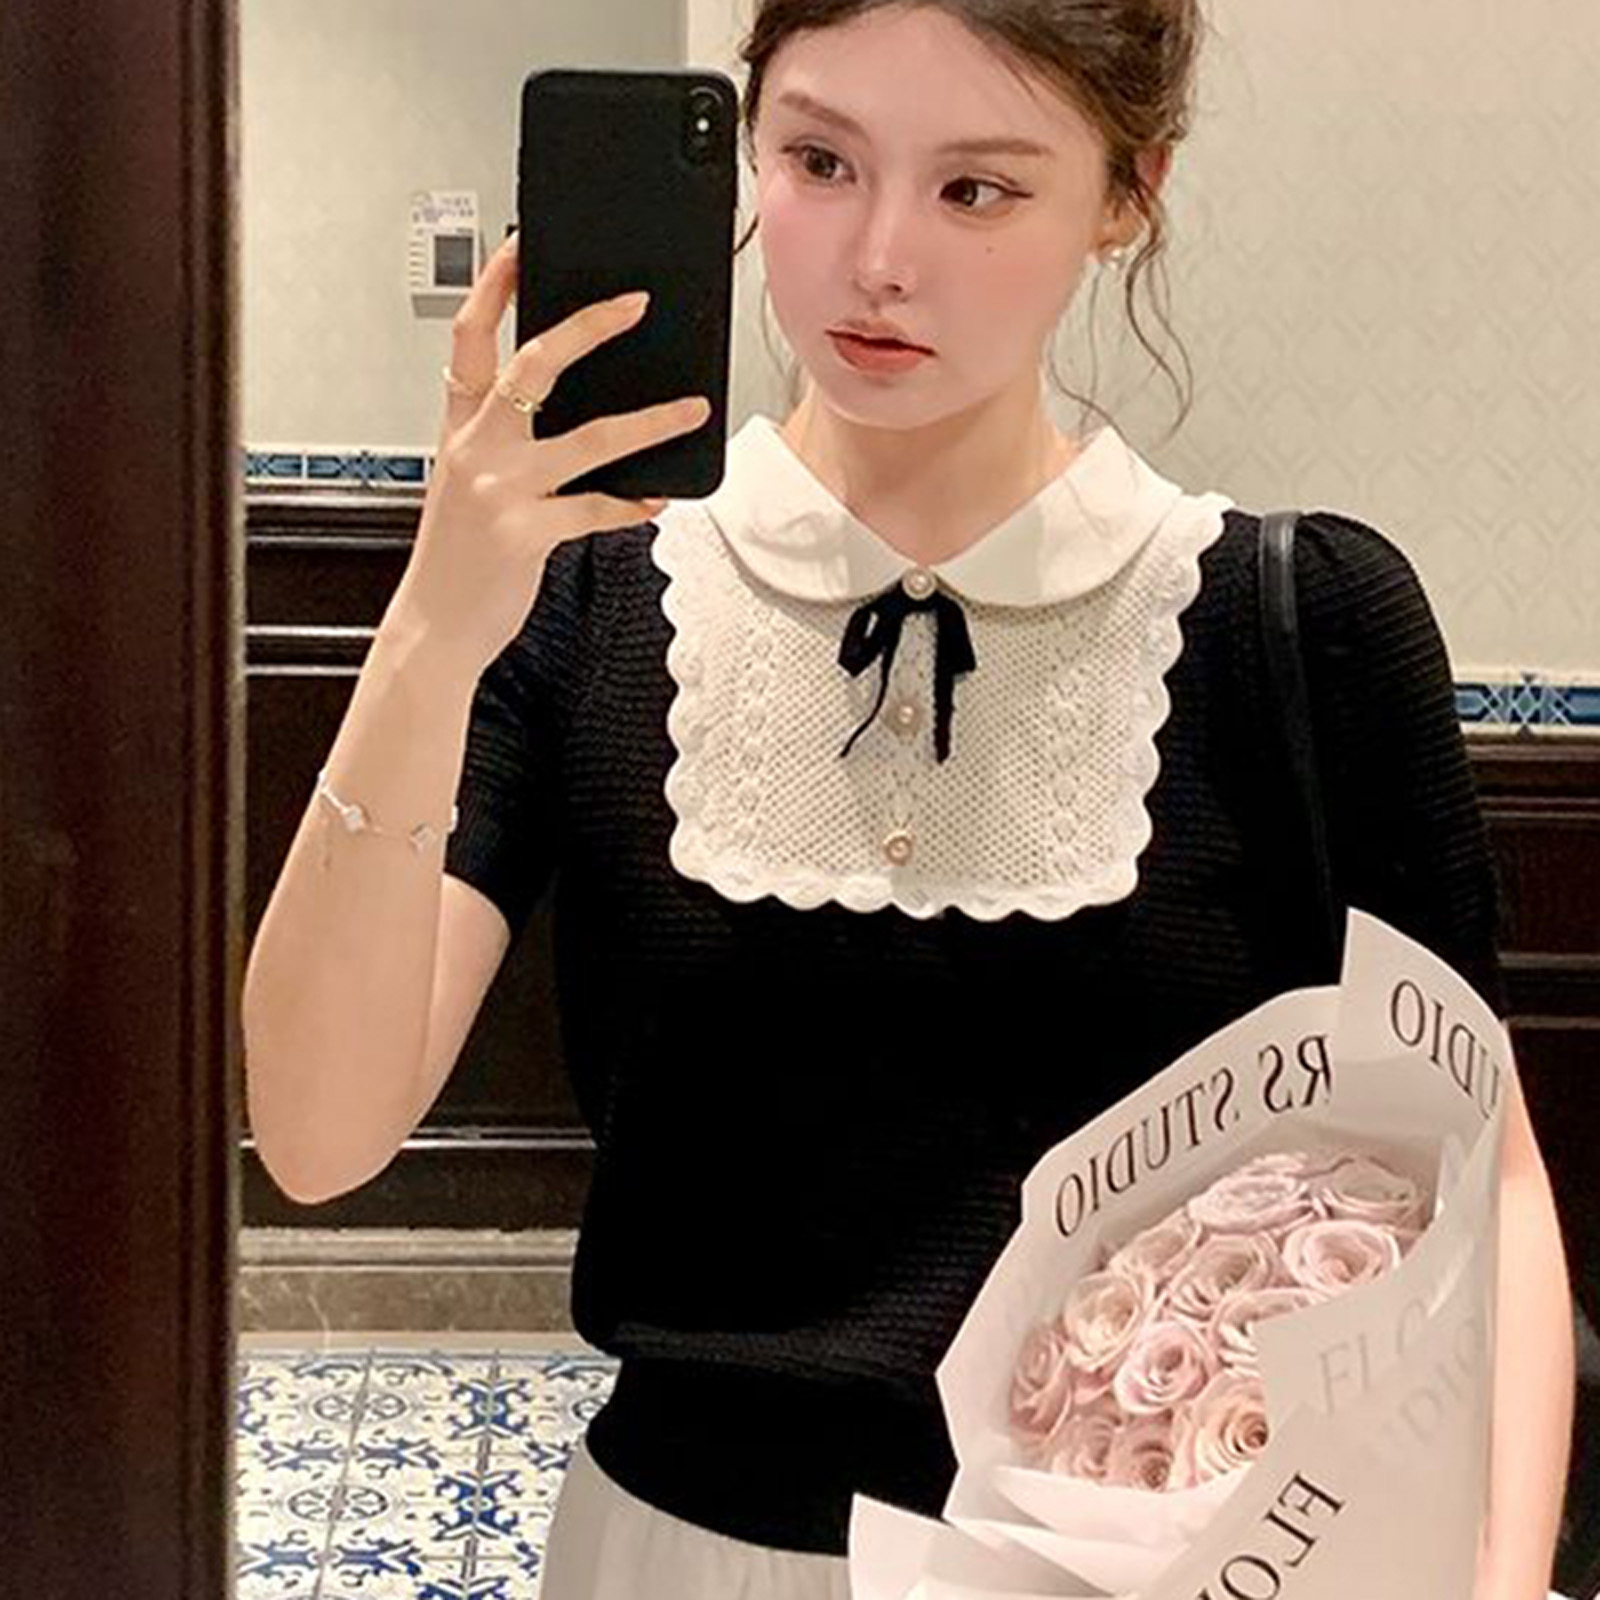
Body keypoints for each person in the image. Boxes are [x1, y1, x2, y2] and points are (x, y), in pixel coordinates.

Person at [241, 3, 1577, 1597]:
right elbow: (316, 1139)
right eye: (820, 161)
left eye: (976, 189)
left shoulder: (1296, 625)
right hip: (675, 1556)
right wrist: (430, 627)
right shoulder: (592, 601)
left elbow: (1487, 1176)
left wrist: (1498, 1579)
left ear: (1128, 193)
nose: (878, 261)